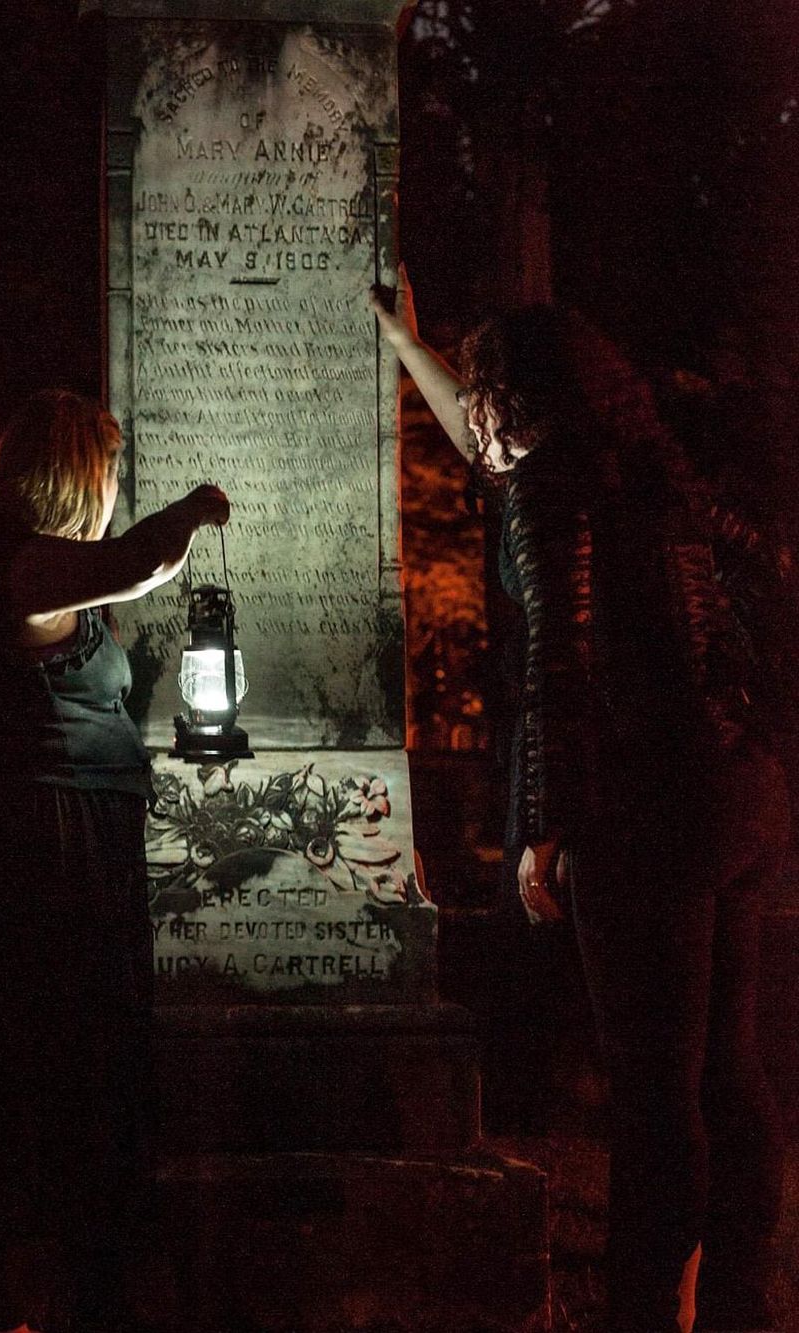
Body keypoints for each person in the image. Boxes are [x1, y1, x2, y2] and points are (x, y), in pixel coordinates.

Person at [372, 283, 790, 1332]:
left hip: (643, 809)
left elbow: (557, 655)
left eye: (483, 397)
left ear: (512, 401)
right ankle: (741, 1295)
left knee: (652, 1087)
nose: (471, 417)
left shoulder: (551, 491)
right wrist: (405, 345)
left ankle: (647, 1308)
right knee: (726, 1065)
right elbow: (764, 583)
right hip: (736, 792)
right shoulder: (651, 473)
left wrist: (545, 829)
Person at [0, 389, 229, 1333]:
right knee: (37, 1067)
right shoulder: (14, 569)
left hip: (87, 838)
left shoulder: (49, 580)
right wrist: (196, 506)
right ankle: (5, 1292)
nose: (117, 490)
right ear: (74, 476)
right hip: (40, 850)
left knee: (86, 1067)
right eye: (110, 473)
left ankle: (73, 1284)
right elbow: (138, 562)